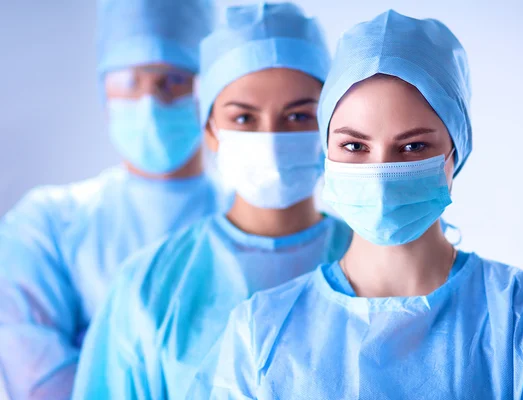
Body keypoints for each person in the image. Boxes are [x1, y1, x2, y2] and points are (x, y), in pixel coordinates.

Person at [193, 10, 523, 399]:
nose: (381, 171)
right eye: (355, 145)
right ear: (326, 152)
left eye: (412, 146)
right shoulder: (259, 334)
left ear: (456, 153)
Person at [72, 3, 352, 399]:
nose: (270, 138)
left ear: (332, 126)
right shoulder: (150, 286)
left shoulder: (377, 263)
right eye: (243, 118)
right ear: (209, 129)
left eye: (298, 116)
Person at [0, 0, 217, 398]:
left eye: (172, 80)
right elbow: (39, 382)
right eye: (131, 82)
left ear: (210, 91)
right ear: (105, 94)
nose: (151, 103)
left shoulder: (255, 223)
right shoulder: (45, 223)